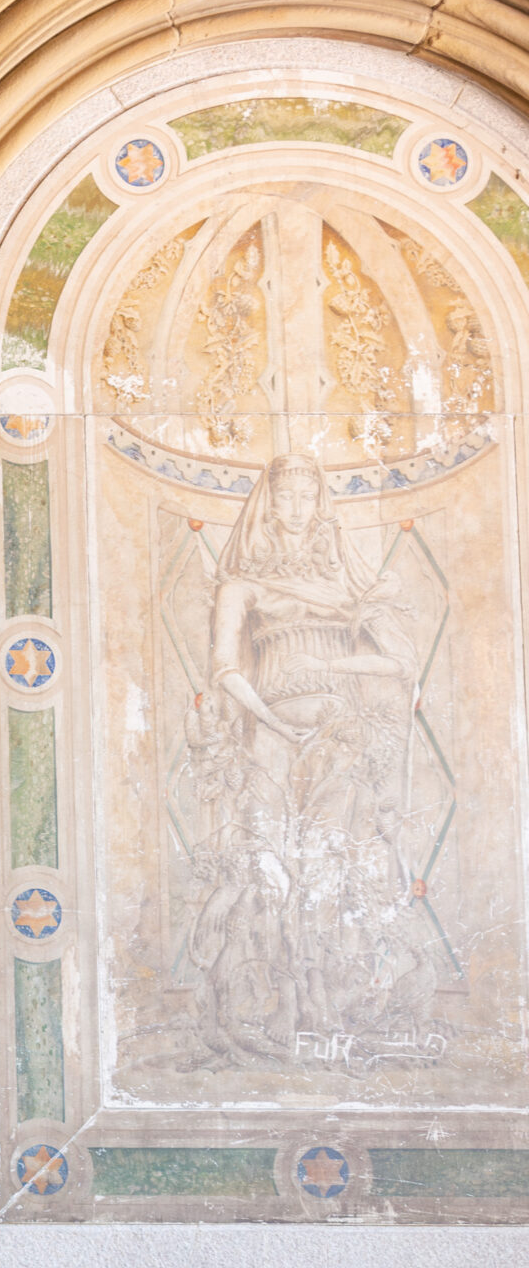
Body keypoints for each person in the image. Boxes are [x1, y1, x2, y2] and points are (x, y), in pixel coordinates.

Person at [184, 452, 430, 1064]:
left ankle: (332, 1007)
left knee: (333, 867)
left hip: (340, 733)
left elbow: (400, 663)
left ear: (319, 506)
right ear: (267, 505)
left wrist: (327, 666)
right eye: (284, 497)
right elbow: (225, 669)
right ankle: (274, 1010)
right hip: (269, 735)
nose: (294, 509)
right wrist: (269, 723)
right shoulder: (242, 585)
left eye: (304, 498)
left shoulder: (349, 586)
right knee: (269, 870)